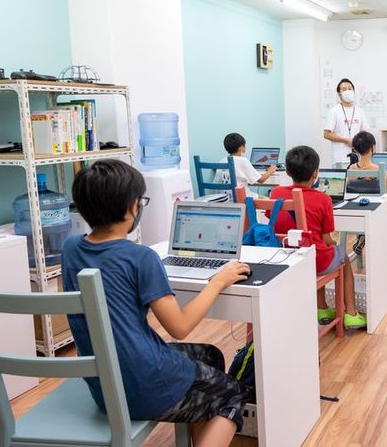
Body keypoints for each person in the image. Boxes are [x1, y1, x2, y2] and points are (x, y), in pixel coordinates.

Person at [62, 160, 251, 446]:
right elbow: (180, 326)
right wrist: (218, 281)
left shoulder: (70, 248)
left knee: (211, 355)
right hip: (145, 384)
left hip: (104, 383)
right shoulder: (141, 258)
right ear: (132, 208)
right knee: (233, 393)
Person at [269, 145, 368, 329]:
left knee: (315, 248)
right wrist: (335, 243)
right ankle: (352, 314)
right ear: (316, 174)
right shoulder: (323, 199)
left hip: (285, 258)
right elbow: (326, 239)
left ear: (288, 171)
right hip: (313, 261)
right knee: (340, 256)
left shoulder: (276, 193)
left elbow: (273, 220)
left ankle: (322, 308)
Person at [323, 78, 369, 167]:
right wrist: (346, 140)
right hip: (340, 158)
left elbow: (365, 133)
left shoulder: (360, 111)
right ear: (339, 94)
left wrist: (358, 142)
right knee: (342, 181)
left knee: (358, 181)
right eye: (344, 89)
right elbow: (326, 134)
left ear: (354, 91)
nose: (347, 91)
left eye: (350, 88)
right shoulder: (334, 111)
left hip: (359, 158)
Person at [215, 133, 277, 198]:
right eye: (244, 145)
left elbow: (217, 183)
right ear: (241, 147)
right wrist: (270, 171)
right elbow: (261, 180)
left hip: (224, 199)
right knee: (268, 200)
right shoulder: (243, 161)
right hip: (241, 198)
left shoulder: (222, 161)